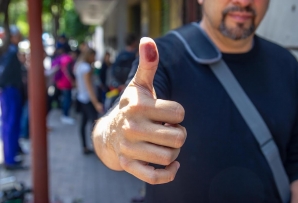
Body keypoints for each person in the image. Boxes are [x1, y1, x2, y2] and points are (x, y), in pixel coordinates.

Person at [92, 0, 298, 203]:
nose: (244, 2)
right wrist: (115, 134)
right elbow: (117, 125)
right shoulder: (162, 57)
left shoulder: (287, 64)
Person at [0, 26, 25, 170]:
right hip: (10, 90)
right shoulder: (11, 51)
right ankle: (10, 159)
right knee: (10, 123)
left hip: (8, 90)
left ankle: (11, 156)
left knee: (9, 124)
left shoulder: (8, 51)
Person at [74, 48, 103, 154]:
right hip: (88, 99)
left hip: (81, 97)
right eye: (93, 56)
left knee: (84, 123)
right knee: (94, 123)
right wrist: (96, 103)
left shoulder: (79, 65)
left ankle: (85, 146)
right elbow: (89, 87)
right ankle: (97, 147)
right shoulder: (86, 68)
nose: (94, 59)